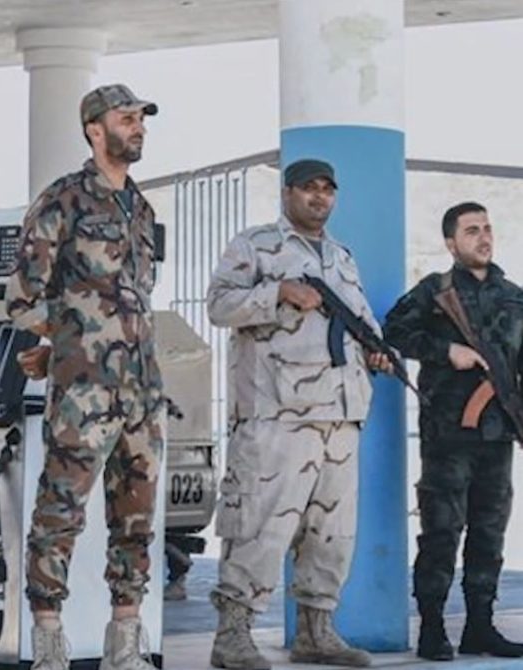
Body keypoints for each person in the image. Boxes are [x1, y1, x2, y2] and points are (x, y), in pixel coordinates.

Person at [205, 159, 392, 669]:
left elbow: (361, 322)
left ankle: (316, 632)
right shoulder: (255, 244)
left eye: (327, 189)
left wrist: (377, 354)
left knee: (332, 534)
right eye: (309, 188)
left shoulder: (341, 257)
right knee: (259, 527)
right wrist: (278, 292)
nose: (319, 197)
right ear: (287, 193)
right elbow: (218, 306)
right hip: (277, 415)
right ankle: (232, 636)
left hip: (341, 414)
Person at [5, 83, 164, 670]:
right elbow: (22, 299)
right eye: (127, 118)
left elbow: (138, 299)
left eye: (141, 119)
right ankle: (48, 645)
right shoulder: (64, 199)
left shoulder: (141, 209)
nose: (138, 128)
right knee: (60, 513)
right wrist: (71, 344)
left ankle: (125, 645)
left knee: (136, 518)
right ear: (96, 129)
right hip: (84, 393)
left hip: (142, 391)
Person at [383, 201, 523, 661]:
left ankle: (480, 626)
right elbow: (393, 332)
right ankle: (433, 627)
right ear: (450, 243)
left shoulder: (514, 297)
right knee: (441, 532)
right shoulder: (434, 292)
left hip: (497, 433)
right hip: (448, 434)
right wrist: (447, 351)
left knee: (489, 532)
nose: (483, 237)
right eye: (471, 230)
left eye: (487, 228)